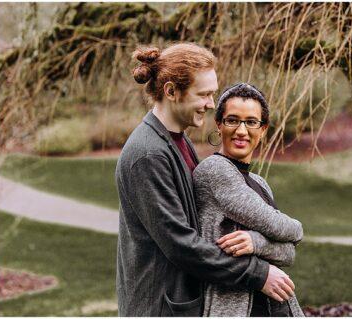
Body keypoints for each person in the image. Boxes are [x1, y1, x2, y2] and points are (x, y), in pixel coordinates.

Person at [116, 43, 294, 316]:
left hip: (183, 301)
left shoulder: (178, 140)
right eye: (204, 94)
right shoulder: (148, 154)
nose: (212, 104)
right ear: (172, 91)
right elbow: (181, 245)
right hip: (160, 307)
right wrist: (258, 274)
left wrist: (256, 243)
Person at [194, 83, 306, 316]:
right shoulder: (215, 170)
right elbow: (282, 229)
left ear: (263, 129)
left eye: (251, 122)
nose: (241, 131)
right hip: (233, 308)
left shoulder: (259, 183)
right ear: (219, 124)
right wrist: (297, 229)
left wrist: (257, 242)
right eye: (232, 120)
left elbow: (288, 254)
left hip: (274, 306)